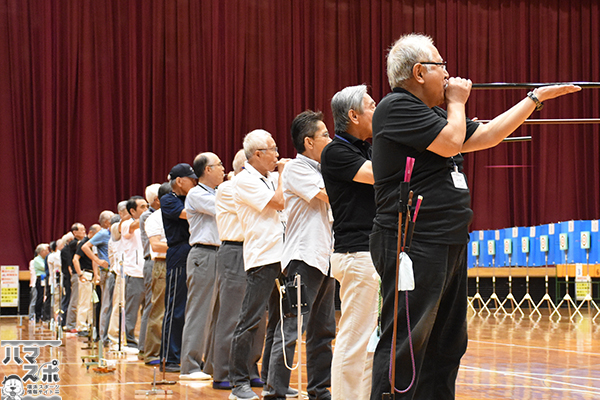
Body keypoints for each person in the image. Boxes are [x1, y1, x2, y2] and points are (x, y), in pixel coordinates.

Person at [369, 33, 580, 399]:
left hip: (447, 238)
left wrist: (533, 99)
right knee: (409, 338)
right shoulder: (396, 106)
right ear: (419, 72)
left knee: (447, 342)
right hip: (413, 240)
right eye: (442, 66)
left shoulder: (434, 115)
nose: (450, 75)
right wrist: (457, 102)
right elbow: (453, 141)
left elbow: (488, 135)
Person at [264, 110, 335, 400]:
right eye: (325, 135)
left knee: (324, 331)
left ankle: (320, 391)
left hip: (325, 258)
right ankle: (275, 392)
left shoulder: (321, 169)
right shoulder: (296, 169)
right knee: (291, 328)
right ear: (308, 142)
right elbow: (328, 195)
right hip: (302, 259)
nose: (330, 140)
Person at [320, 84, 379, 400]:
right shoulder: (336, 151)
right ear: (353, 115)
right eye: (371, 105)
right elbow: (378, 174)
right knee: (354, 338)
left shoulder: (368, 148)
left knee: (372, 340)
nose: (378, 109)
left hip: (374, 252)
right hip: (357, 253)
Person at [229, 129, 289, 400]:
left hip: (283, 257)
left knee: (280, 321)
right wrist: (283, 176)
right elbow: (278, 202)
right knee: (250, 321)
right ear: (257, 155)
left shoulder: (270, 177)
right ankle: (239, 382)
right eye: (273, 150)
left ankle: (273, 382)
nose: (278, 155)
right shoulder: (244, 180)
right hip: (262, 258)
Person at [213, 150, 266, 390]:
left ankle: (249, 367)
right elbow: (263, 209)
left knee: (257, 315)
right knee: (232, 314)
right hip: (235, 250)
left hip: (257, 249)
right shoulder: (229, 187)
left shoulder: (261, 185)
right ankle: (223, 371)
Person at [179, 152, 225, 380]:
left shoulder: (218, 192)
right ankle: (190, 366)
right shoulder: (197, 194)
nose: (223, 169)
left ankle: (212, 367)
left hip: (223, 254)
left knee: (220, 313)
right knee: (199, 311)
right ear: (207, 170)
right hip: (204, 254)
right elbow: (224, 208)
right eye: (219, 165)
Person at [160, 163, 197, 373]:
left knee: (192, 308)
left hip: (194, 251)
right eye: (191, 179)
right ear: (179, 181)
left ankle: (188, 354)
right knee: (175, 307)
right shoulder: (168, 200)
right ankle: (169, 357)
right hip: (178, 253)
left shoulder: (191, 197)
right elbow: (189, 215)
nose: (195, 183)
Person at [143, 182, 171, 365]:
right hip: (162, 263)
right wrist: (178, 247)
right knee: (159, 309)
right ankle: (153, 353)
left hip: (182, 262)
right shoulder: (154, 218)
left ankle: (172, 353)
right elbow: (155, 244)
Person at [120, 196, 149, 348]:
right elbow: (133, 227)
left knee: (149, 310)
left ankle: (145, 342)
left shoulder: (149, 223)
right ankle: (129, 341)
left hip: (149, 271)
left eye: (147, 206)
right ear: (132, 211)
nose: (146, 209)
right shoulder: (126, 224)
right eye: (142, 207)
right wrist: (149, 215)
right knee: (132, 310)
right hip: (134, 273)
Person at [138, 183, 161, 360]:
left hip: (155, 261)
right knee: (151, 305)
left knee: (154, 305)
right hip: (152, 261)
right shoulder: (148, 216)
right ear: (156, 200)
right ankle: (144, 346)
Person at [72, 224, 100, 335]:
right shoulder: (83, 243)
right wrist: (80, 274)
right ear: (92, 233)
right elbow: (75, 259)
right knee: (84, 301)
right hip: (85, 274)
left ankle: (88, 325)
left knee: (90, 301)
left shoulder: (93, 244)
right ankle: (81, 327)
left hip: (92, 274)